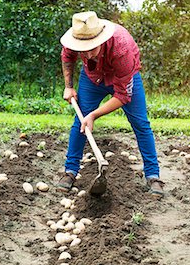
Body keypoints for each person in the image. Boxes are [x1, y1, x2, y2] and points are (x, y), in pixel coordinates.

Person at [56, 11, 164, 198]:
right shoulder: (77, 36)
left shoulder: (121, 48)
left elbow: (123, 95)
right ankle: (70, 171)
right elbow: (67, 57)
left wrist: (94, 115)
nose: (88, 54)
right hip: (92, 79)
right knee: (79, 124)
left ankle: (153, 176)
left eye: (92, 48)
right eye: (84, 49)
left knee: (141, 124)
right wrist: (68, 87)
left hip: (122, 78)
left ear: (101, 39)